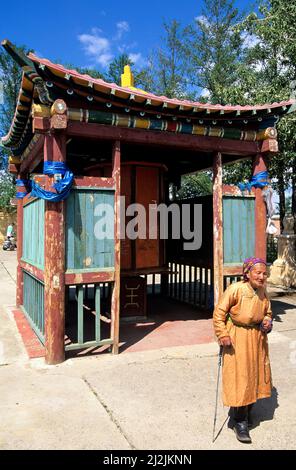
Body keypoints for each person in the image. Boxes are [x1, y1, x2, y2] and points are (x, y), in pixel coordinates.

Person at [213, 257, 273, 444]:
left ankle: (247, 411)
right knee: (240, 377)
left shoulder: (263, 291)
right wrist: (222, 334)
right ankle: (239, 421)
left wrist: (267, 321)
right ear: (247, 273)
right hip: (237, 337)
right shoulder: (235, 289)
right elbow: (219, 314)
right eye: (258, 273)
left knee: (255, 375)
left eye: (264, 273)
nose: (262, 277)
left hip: (257, 338)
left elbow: (268, 312)